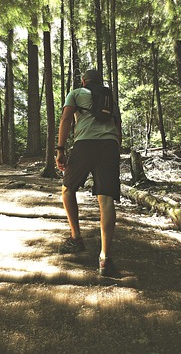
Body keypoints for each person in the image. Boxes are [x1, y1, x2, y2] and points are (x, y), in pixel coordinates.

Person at [55, 70, 122, 277]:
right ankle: (105, 259)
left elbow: (66, 119)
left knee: (67, 189)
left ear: (83, 81)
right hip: (109, 146)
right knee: (106, 198)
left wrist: (60, 149)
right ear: (100, 82)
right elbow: (118, 124)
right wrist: (116, 146)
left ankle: (76, 238)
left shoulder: (76, 93)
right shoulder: (109, 97)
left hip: (84, 145)